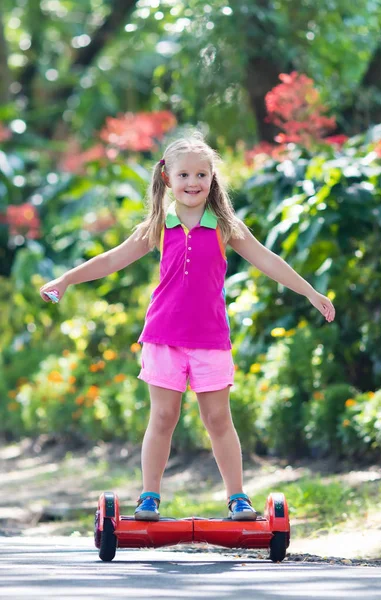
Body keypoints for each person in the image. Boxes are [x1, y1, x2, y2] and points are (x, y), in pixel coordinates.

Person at [40, 133, 335, 522]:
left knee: (218, 420)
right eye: (184, 175)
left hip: (210, 340)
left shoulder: (226, 225)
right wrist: (65, 280)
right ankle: (149, 498)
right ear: (168, 179)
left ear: (213, 178)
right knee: (163, 418)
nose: (193, 182)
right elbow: (112, 259)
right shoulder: (159, 224)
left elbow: (268, 260)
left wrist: (310, 292)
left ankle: (237, 499)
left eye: (201, 174)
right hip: (163, 338)